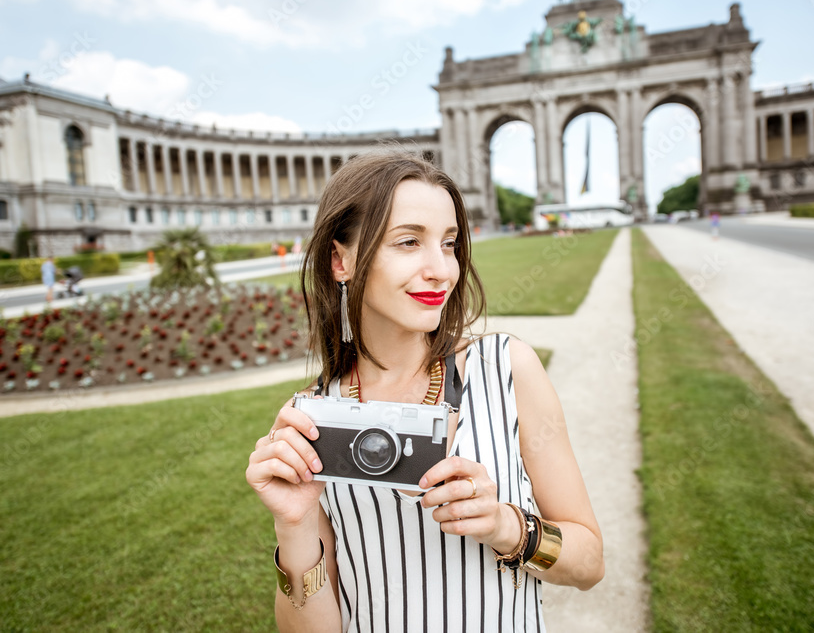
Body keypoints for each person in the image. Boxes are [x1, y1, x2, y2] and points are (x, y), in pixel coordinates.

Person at [245, 151, 604, 632]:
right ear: (340, 260)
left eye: (450, 243)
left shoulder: (506, 368)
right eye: (410, 241)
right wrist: (293, 526)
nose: (442, 270)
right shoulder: (309, 420)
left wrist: (504, 525)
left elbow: (590, 564)